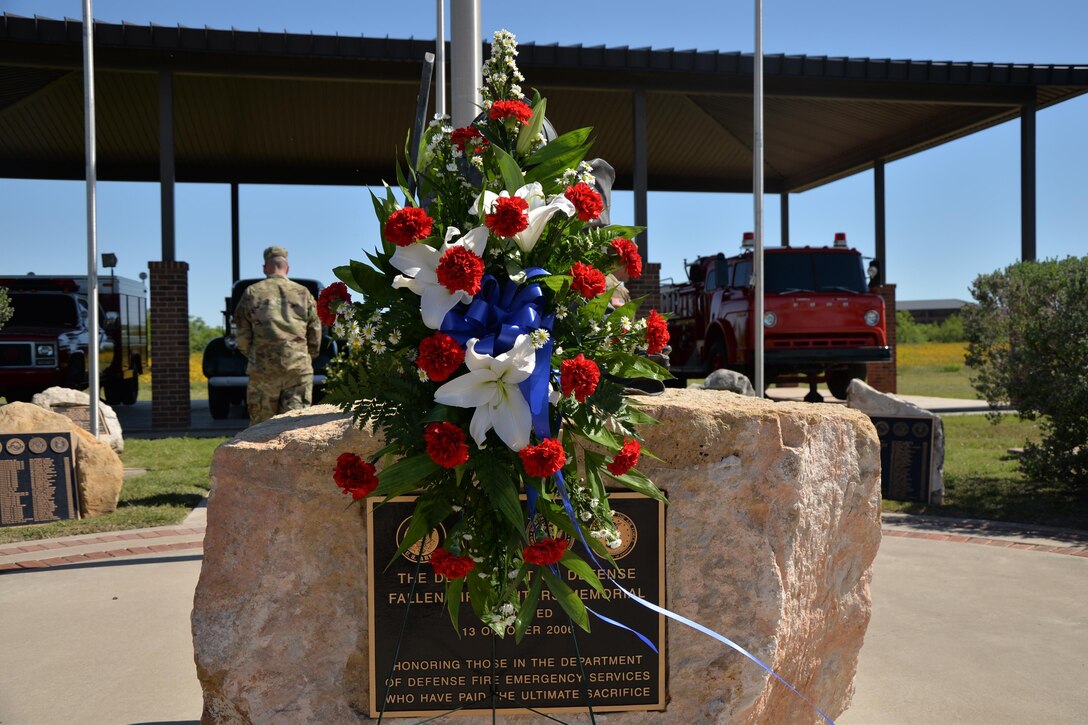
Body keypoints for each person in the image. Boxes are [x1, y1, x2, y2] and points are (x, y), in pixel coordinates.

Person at [234, 246, 321, 424]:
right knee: (296, 429)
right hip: (297, 369)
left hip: (263, 370)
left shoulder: (252, 293)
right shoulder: (303, 293)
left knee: (260, 430)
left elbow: (242, 335)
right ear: (286, 268)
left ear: (265, 267)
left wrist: (255, 355)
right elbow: (315, 333)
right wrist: (306, 356)